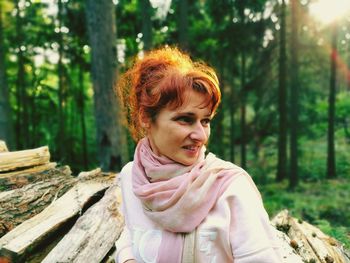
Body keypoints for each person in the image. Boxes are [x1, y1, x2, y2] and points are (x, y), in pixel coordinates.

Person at [114, 47, 298, 263]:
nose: (201, 135)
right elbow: (128, 233)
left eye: (206, 121)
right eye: (185, 119)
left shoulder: (230, 188)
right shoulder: (132, 176)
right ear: (146, 118)